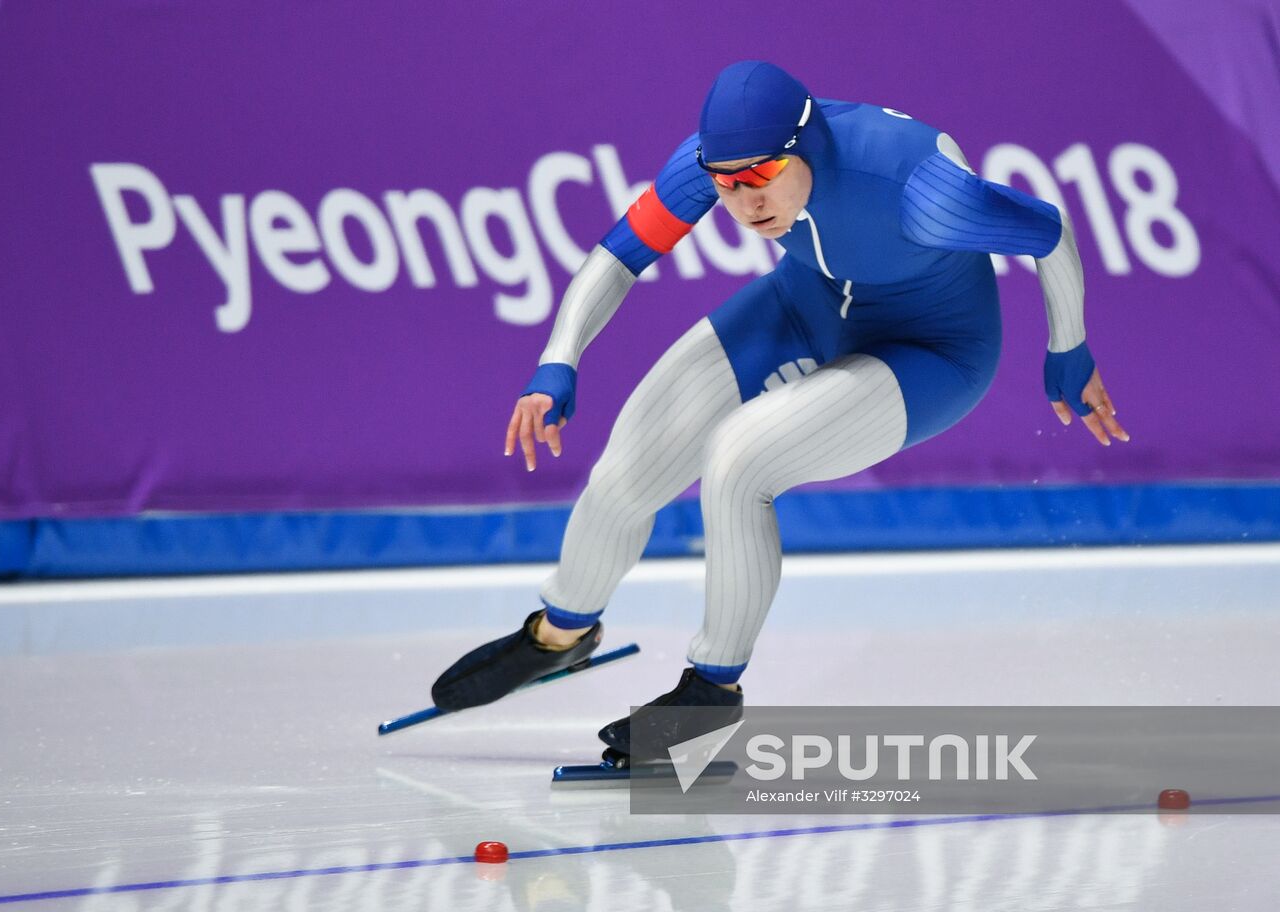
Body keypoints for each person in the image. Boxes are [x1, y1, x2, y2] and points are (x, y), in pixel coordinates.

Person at [430, 60, 1129, 758]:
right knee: (624, 473)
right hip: (805, 308)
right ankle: (560, 634)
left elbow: (1049, 231)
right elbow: (618, 257)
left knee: (739, 459)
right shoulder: (712, 163)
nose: (743, 202)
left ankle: (710, 691)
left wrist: (1069, 346)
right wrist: (558, 360)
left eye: (762, 176)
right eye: (726, 183)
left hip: (932, 350)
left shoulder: (919, 188)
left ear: (808, 148)